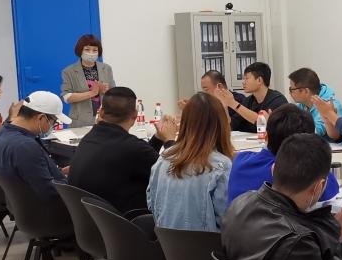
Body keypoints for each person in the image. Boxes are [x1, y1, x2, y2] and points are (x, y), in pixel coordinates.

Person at [220, 133, 342, 260]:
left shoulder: (239, 203)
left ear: (273, 169)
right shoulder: (298, 241)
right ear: (318, 186)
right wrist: (336, 240)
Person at [68, 87, 178, 215]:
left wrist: (158, 138)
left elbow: (142, 159)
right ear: (135, 115)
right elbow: (177, 176)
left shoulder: (89, 139)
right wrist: (170, 141)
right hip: (129, 222)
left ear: (101, 113)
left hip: (95, 221)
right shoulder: (133, 148)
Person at [147, 92, 234, 231]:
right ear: (222, 124)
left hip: (167, 242)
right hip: (207, 243)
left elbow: (152, 203)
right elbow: (227, 218)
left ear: (184, 123)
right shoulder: (221, 166)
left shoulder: (164, 157)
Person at [226, 103, 340, 205]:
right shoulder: (294, 173)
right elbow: (331, 188)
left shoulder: (240, 160)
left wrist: (272, 127)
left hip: (235, 222)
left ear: (266, 136)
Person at [0, 91, 71, 202]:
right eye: (54, 122)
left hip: (23, 206)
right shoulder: (25, 146)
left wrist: (61, 171)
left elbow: (30, 173)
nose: (53, 126)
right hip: (48, 208)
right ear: (41, 118)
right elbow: (49, 192)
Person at [212, 61, 288, 134]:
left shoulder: (278, 100)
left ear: (259, 80)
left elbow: (261, 121)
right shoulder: (248, 101)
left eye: (247, 78)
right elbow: (230, 126)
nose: (243, 82)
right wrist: (225, 106)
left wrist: (233, 103)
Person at [61, 34, 114, 128]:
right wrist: (92, 93)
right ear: (80, 50)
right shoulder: (69, 71)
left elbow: (114, 93)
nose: (91, 53)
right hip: (80, 121)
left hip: (105, 119)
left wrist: (106, 91)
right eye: (87, 49)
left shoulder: (106, 68)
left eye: (95, 50)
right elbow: (66, 97)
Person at [287, 67, 342, 138]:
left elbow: (316, 131)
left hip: (335, 144)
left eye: (291, 89)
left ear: (306, 91)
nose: (290, 93)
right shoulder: (302, 105)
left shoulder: (329, 105)